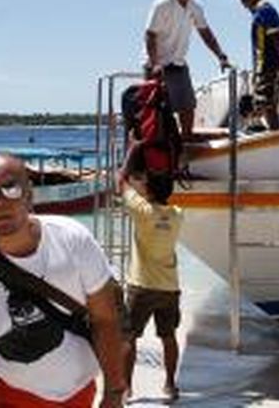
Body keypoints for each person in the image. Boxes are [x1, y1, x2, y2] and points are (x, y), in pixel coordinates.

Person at [0, 154, 126, 408]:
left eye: (10, 189)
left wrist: (114, 392)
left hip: (78, 394)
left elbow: (105, 319)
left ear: (29, 194)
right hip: (5, 393)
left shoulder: (73, 240)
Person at [143, 0, 230, 141]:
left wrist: (220, 55)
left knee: (188, 105)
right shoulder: (162, 4)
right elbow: (150, 35)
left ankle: (186, 141)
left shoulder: (194, 6)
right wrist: (155, 63)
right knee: (157, 109)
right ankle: (154, 149)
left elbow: (205, 32)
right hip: (157, 64)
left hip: (178, 62)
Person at [120, 170, 183, 401]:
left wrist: (132, 150)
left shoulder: (143, 211)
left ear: (149, 190)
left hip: (142, 286)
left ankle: (127, 388)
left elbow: (122, 182)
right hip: (169, 286)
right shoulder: (177, 214)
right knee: (168, 336)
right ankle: (170, 384)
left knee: (128, 337)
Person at [237, 0, 279, 130]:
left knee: (266, 104)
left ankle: (274, 135)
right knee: (266, 104)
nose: (243, 5)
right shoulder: (262, 11)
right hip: (264, 66)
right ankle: (274, 132)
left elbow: (276, 35)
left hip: (269, 65)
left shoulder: (263, 9)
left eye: (243, 0)